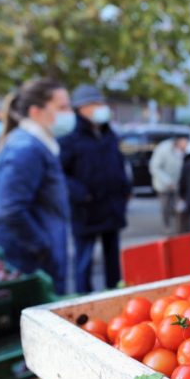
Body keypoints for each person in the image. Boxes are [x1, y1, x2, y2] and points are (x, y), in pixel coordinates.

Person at [0, 79, 72, 294]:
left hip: (38, 258)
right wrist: (42, 247)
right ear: (36, 111)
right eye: (62, 107)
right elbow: (9, 209)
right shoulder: (26, 148)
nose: (70, 113)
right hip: (31, 264)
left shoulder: (36, 144)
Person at [59, 85, 131, 293]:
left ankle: (114, 294)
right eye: (95, 104)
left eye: (101, 103)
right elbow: (61, 175)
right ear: (81, 108)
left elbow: (118, 164)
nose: (101, 108)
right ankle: (84, 298)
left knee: (113, 261)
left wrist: (125, 189)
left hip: (111, 207)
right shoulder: (70, 138)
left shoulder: (110, 134)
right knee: (84, 261)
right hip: (86, 210)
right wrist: (80, 193)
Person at [149, 135, 188, 232]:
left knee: (177, 207)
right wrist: (167, 181)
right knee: (165, 207)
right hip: (163, 185)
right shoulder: (164, 149)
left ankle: (178, 228)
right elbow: (155, 167)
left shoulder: (183, 152)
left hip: (177, 185)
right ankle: (167, 226)